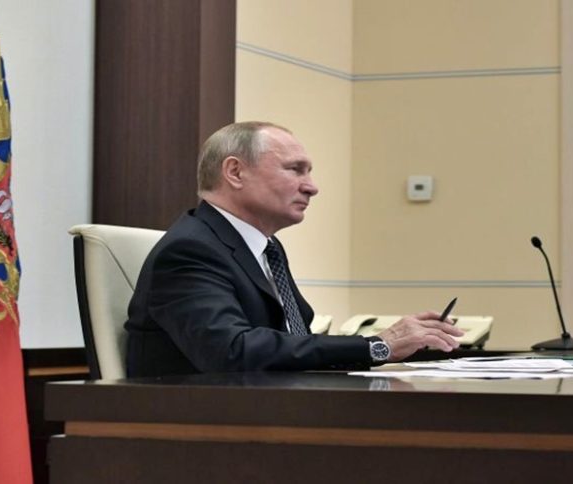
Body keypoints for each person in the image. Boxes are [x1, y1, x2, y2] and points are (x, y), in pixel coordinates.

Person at [125, 121, 463, 377]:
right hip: (205, 425)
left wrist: (397, 345)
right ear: (235, 172)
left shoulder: (266, 248)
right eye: (295, 169)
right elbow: (231, 351)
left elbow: (290, 341)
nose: (311, 187)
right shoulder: (191, 249)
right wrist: (378, 345)